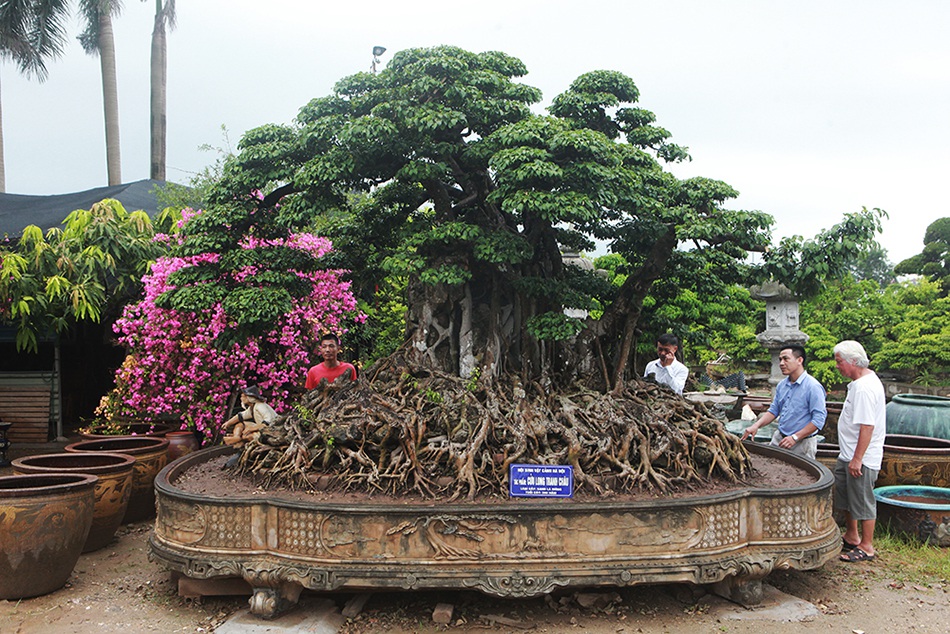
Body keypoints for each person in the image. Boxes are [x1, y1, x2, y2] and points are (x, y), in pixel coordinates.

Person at [833, 339, 886, 563]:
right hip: (848, 453)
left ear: (853, 362)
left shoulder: (865, 388)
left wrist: (857, 459)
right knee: (846, 497)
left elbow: (867, 426)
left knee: (863, 500)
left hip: (861, 457)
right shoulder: (858, 383)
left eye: (839, 362)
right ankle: (852, 535)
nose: (837, 366)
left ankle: (867, 545)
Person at [741, 345, 827, 460]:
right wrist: (756, 425)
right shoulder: (782, 385)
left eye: (786, 359)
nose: (781, 363)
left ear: (799, 360)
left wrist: (795, 437)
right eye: (780, 359)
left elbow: (818, 420)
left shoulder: (813, 387)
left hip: (802, 443)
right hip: (779, 438)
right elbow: (774, 410)